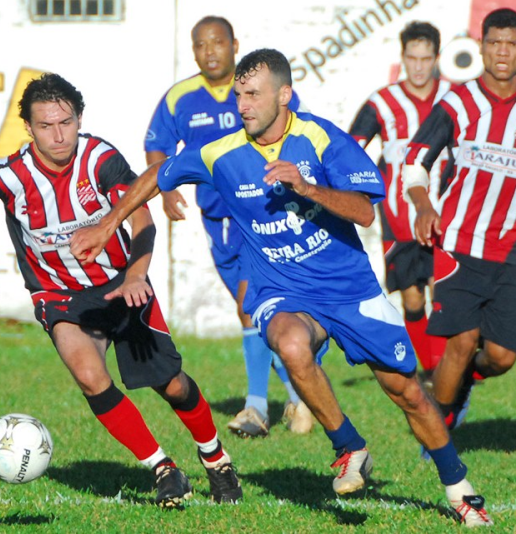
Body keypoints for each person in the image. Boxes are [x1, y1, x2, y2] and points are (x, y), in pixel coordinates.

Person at [71, 49, 494, 527]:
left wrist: (308, 188)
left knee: (409, 394)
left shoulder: (320, 138)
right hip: (283, 289)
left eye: (253, 94)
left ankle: (459, 489)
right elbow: (158, 173)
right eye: (238, 95)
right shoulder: (222, 153)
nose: (242, 105)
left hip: (349, 289)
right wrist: (109, 224)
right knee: (290, 343)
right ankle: (349, 446)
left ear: (285, 96)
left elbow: (363, 211)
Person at [0, 73, 242, 507]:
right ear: (28, 127)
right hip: (58, 295)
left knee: (170, 384)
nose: (58, 135)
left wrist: (137, 275)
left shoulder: (101, 159)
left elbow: (143, 220)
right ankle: (163, 469)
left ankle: (216, 459)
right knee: (88, 375)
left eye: (66, 122)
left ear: (79, 118)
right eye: (46, 126)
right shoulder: (11, 175)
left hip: (122, 283)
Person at [402, 8, 516, 430]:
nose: (502, 51)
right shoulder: (457, 102)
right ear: (481, 47)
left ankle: (458, 387)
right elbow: (415, 161)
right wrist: (424, 204)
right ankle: (436, 437)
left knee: (501, 356)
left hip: (513, 248)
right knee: (459, 342)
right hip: (460, 242)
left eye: (512, 44)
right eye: (494, 42)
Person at [145, 15, 314, 437]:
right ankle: (300, 396)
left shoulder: (260, 87)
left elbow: (303, 131)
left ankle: (257, 407)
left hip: (266, 213)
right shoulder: (179, 97)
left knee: (250, 304)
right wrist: (165, 190)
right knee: (252, 310)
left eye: (217, 42)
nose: (210, 52)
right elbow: (156, 147)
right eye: (200, 45)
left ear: (234, 44)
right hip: (219, 220)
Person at [349, 21, 451, 379]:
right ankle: (431, 367)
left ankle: (441, 373)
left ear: (437, 58)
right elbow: (352, 148)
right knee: (411, 298)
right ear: (403, 57)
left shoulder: (455, 99)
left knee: (445, 295)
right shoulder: (382, 103)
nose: (419, 66)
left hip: (446, 215)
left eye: (426, 58)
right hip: (398, 217)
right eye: (413, 58)